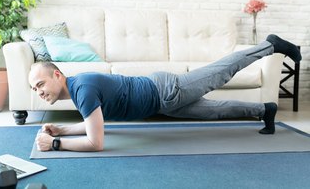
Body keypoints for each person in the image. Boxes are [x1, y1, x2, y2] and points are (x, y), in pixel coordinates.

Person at [29, 34, 302, 152]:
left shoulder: (83, 90)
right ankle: (265, 111)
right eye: (34, 89)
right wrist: (62, 131)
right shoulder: (79, 90)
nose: (39, 92)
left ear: (57, 75)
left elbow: (96, 143)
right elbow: (93, 128)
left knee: (222, 71)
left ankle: (270, 45)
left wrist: (55, 144)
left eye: (40, 84)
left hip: (167, 91)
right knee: (213, 112)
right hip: (161, 102)